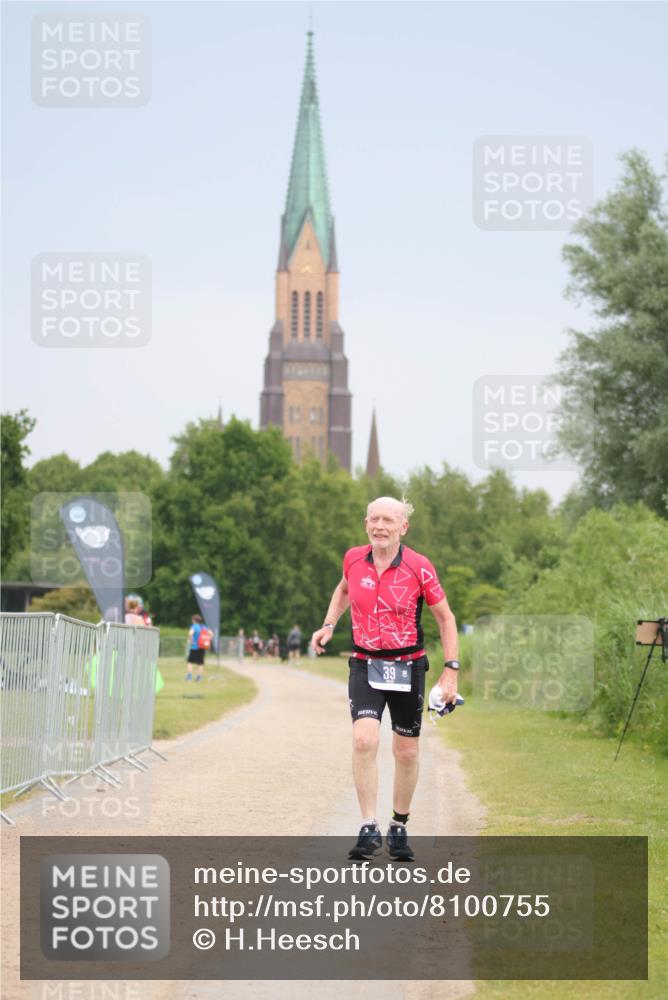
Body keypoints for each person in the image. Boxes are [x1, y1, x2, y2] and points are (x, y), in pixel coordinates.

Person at [311, 496, 459, 862]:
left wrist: (451, 671)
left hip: (408, 665)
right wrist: (329, 624)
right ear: (366, 524)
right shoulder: (353, 558)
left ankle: (399, 826)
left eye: (388, 520)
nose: (380, 526)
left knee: (405, 750)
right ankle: (367, 827)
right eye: (374, 519)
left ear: (403, 527)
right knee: (364, 739)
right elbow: (344, 589)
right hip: (365, 662)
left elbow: (446, 618)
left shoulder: (419, 567)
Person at [186, 614, 208, 682]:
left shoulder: (194, 626)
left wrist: (191, 641)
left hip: (195, 647)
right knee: (200, 663)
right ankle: (199, 677)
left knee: (189, 662)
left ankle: (189, 676)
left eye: (192, 620)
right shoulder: (204, 627)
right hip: (202, 647)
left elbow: (190, 633)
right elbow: (211, 634)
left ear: (194, 620)